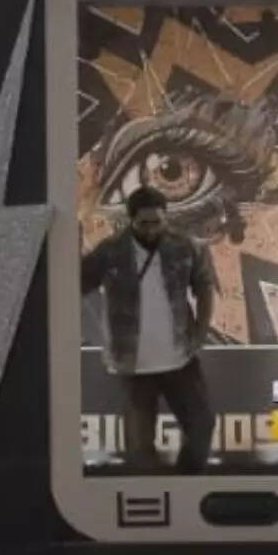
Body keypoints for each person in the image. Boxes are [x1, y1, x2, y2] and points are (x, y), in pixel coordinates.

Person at [80, 186, 216, 474]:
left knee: (202, 426)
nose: (152, 229)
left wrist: (201, 332)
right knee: (139, 448)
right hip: (133, 365)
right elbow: (76, 283)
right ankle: (151, 493)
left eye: (158, 222)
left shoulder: (186, 246)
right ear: (130, 220)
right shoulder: (111, 251)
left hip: (180, 359)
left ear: (166, 217)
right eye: (144, 223)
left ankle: (186, 486)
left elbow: (204, 285)